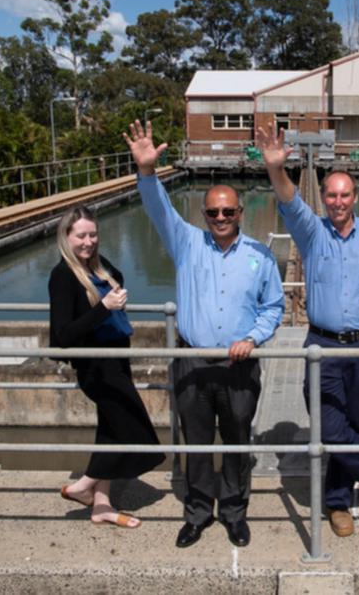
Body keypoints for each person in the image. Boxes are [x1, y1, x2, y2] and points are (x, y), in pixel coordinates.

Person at [124, 120, 284, 549]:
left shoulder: (260, 256)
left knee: (235, 445)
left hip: (239, 364)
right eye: (212, 212)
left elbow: (274, 308)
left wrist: (252, 337)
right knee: (195, 445)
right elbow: (158, 208)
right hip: (192, 361)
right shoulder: (187, 243)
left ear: (240, 213)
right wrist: (146, 172)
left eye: (227, 211)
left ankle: (234, 512)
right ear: (203, 214)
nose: (219, 218)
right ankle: (197, 513)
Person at [256, 123, 359, 538]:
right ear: (322, 199)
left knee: (356, 423)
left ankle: (338, 504)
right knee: (325, 421)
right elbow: (288, 200)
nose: (338, 202)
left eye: (345, 195)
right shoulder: (312, 232)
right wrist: (275, 169)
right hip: (321, 342)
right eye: (330, 195)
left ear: (355, 198)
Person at [51, 206, 165, 529]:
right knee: (134, 431)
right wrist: (103, 307)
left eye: (92, 234)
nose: (88, 242)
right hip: (95, 368)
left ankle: (101, 505)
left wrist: (114, 294)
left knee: (110, 431)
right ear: (66, 237)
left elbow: (117, 277)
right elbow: (63, 335)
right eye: (81, 236)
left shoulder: (100, 266)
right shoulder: (62, 276)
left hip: (117, 360)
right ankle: (84, 485)